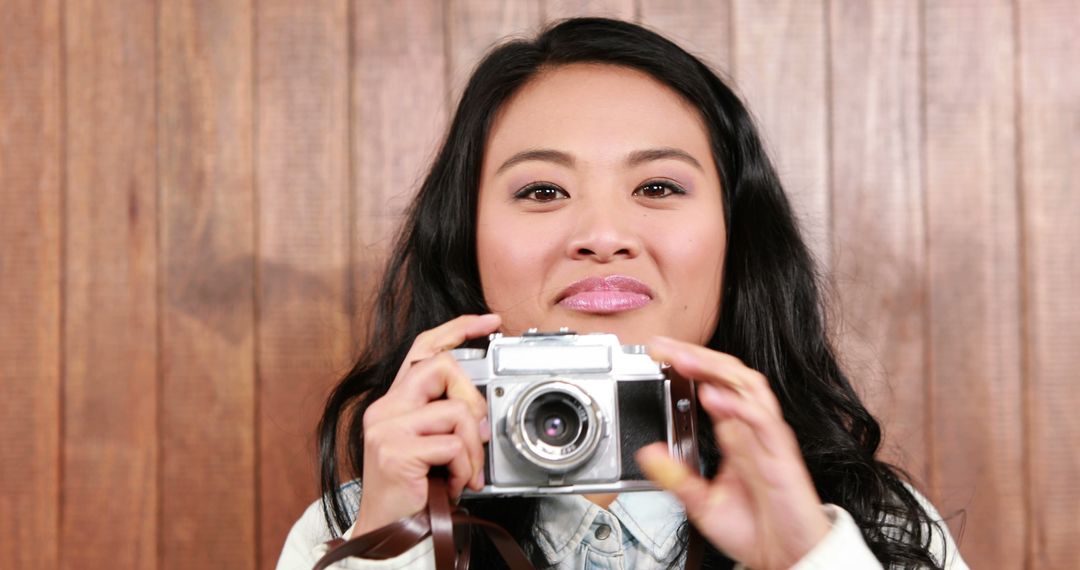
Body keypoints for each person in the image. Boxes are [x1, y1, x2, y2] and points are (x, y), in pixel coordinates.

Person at [276, 17, 967, 570]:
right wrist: (396, 542)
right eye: (542, 191)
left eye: (658, 187)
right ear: (466, 239)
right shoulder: (353, 531)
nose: (603, 235)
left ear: (736, 236)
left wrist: (807, 558)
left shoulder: (871, 528)